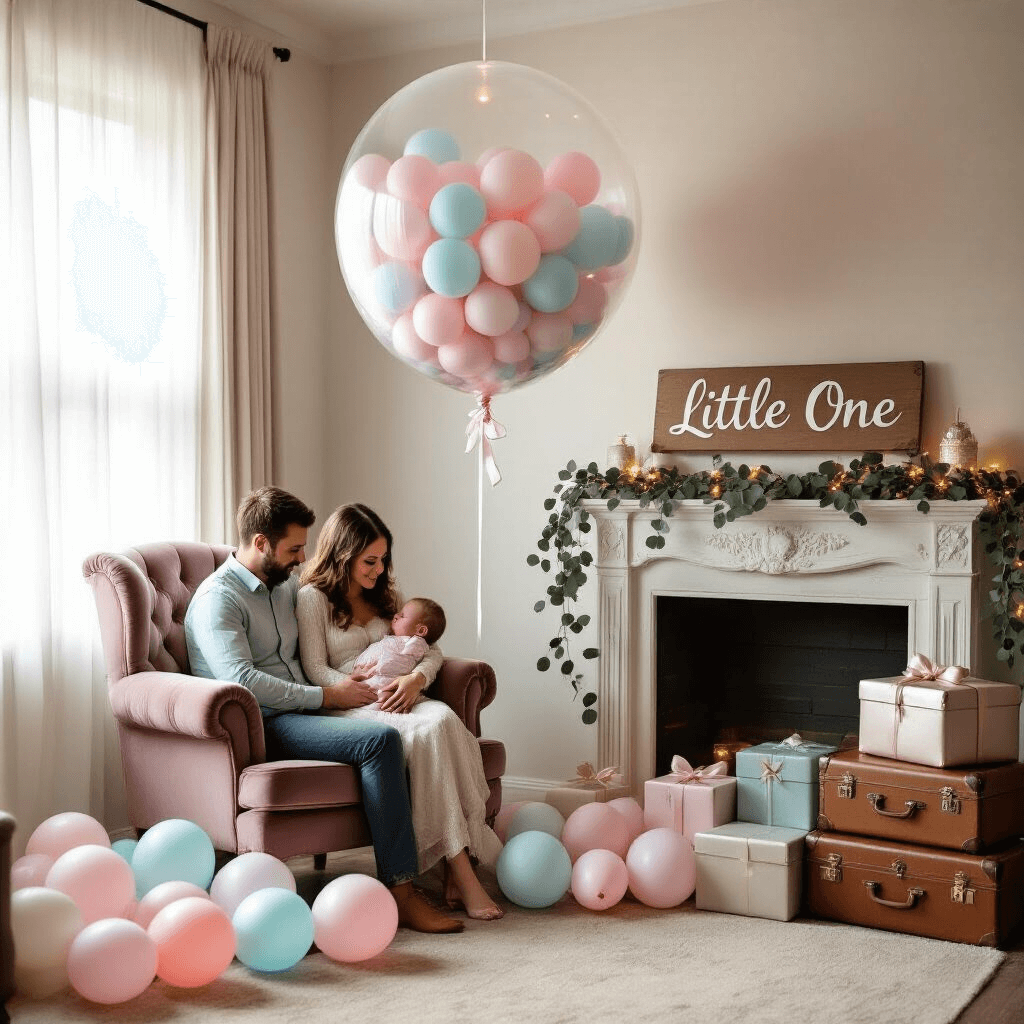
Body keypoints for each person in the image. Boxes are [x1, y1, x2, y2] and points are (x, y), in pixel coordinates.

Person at [184, 486, 464, 934]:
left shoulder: (283, 587)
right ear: (261, 543)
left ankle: (449, 860)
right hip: (266, 722)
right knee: (380, 740)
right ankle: (403, 893)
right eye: (294, 549)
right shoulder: (220, 598)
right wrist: (326, 697)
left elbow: (322, 641)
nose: (301, 559)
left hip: (308, 709)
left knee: (412, 725)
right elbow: (244, 681)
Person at [297, 503, 504, 921]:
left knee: (443, 719)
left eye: (383, 559)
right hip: (351, 706)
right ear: (343, 554)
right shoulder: (312, 598)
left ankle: (452, 863)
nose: (379, 569)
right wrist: (348, 689)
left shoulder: (385, 597)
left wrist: (416, 681)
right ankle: (461, 872)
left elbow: (430, 650)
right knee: (426, 735)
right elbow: (313, 666)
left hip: (401, 696)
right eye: (369, 561)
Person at [353, 597, 447, 703]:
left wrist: (418, 677)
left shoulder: (415, 644)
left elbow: (395, 661)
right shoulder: (397, 640)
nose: (395, 616)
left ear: (421, 630)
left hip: (384, 682)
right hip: (356, 680)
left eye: (401, 616)